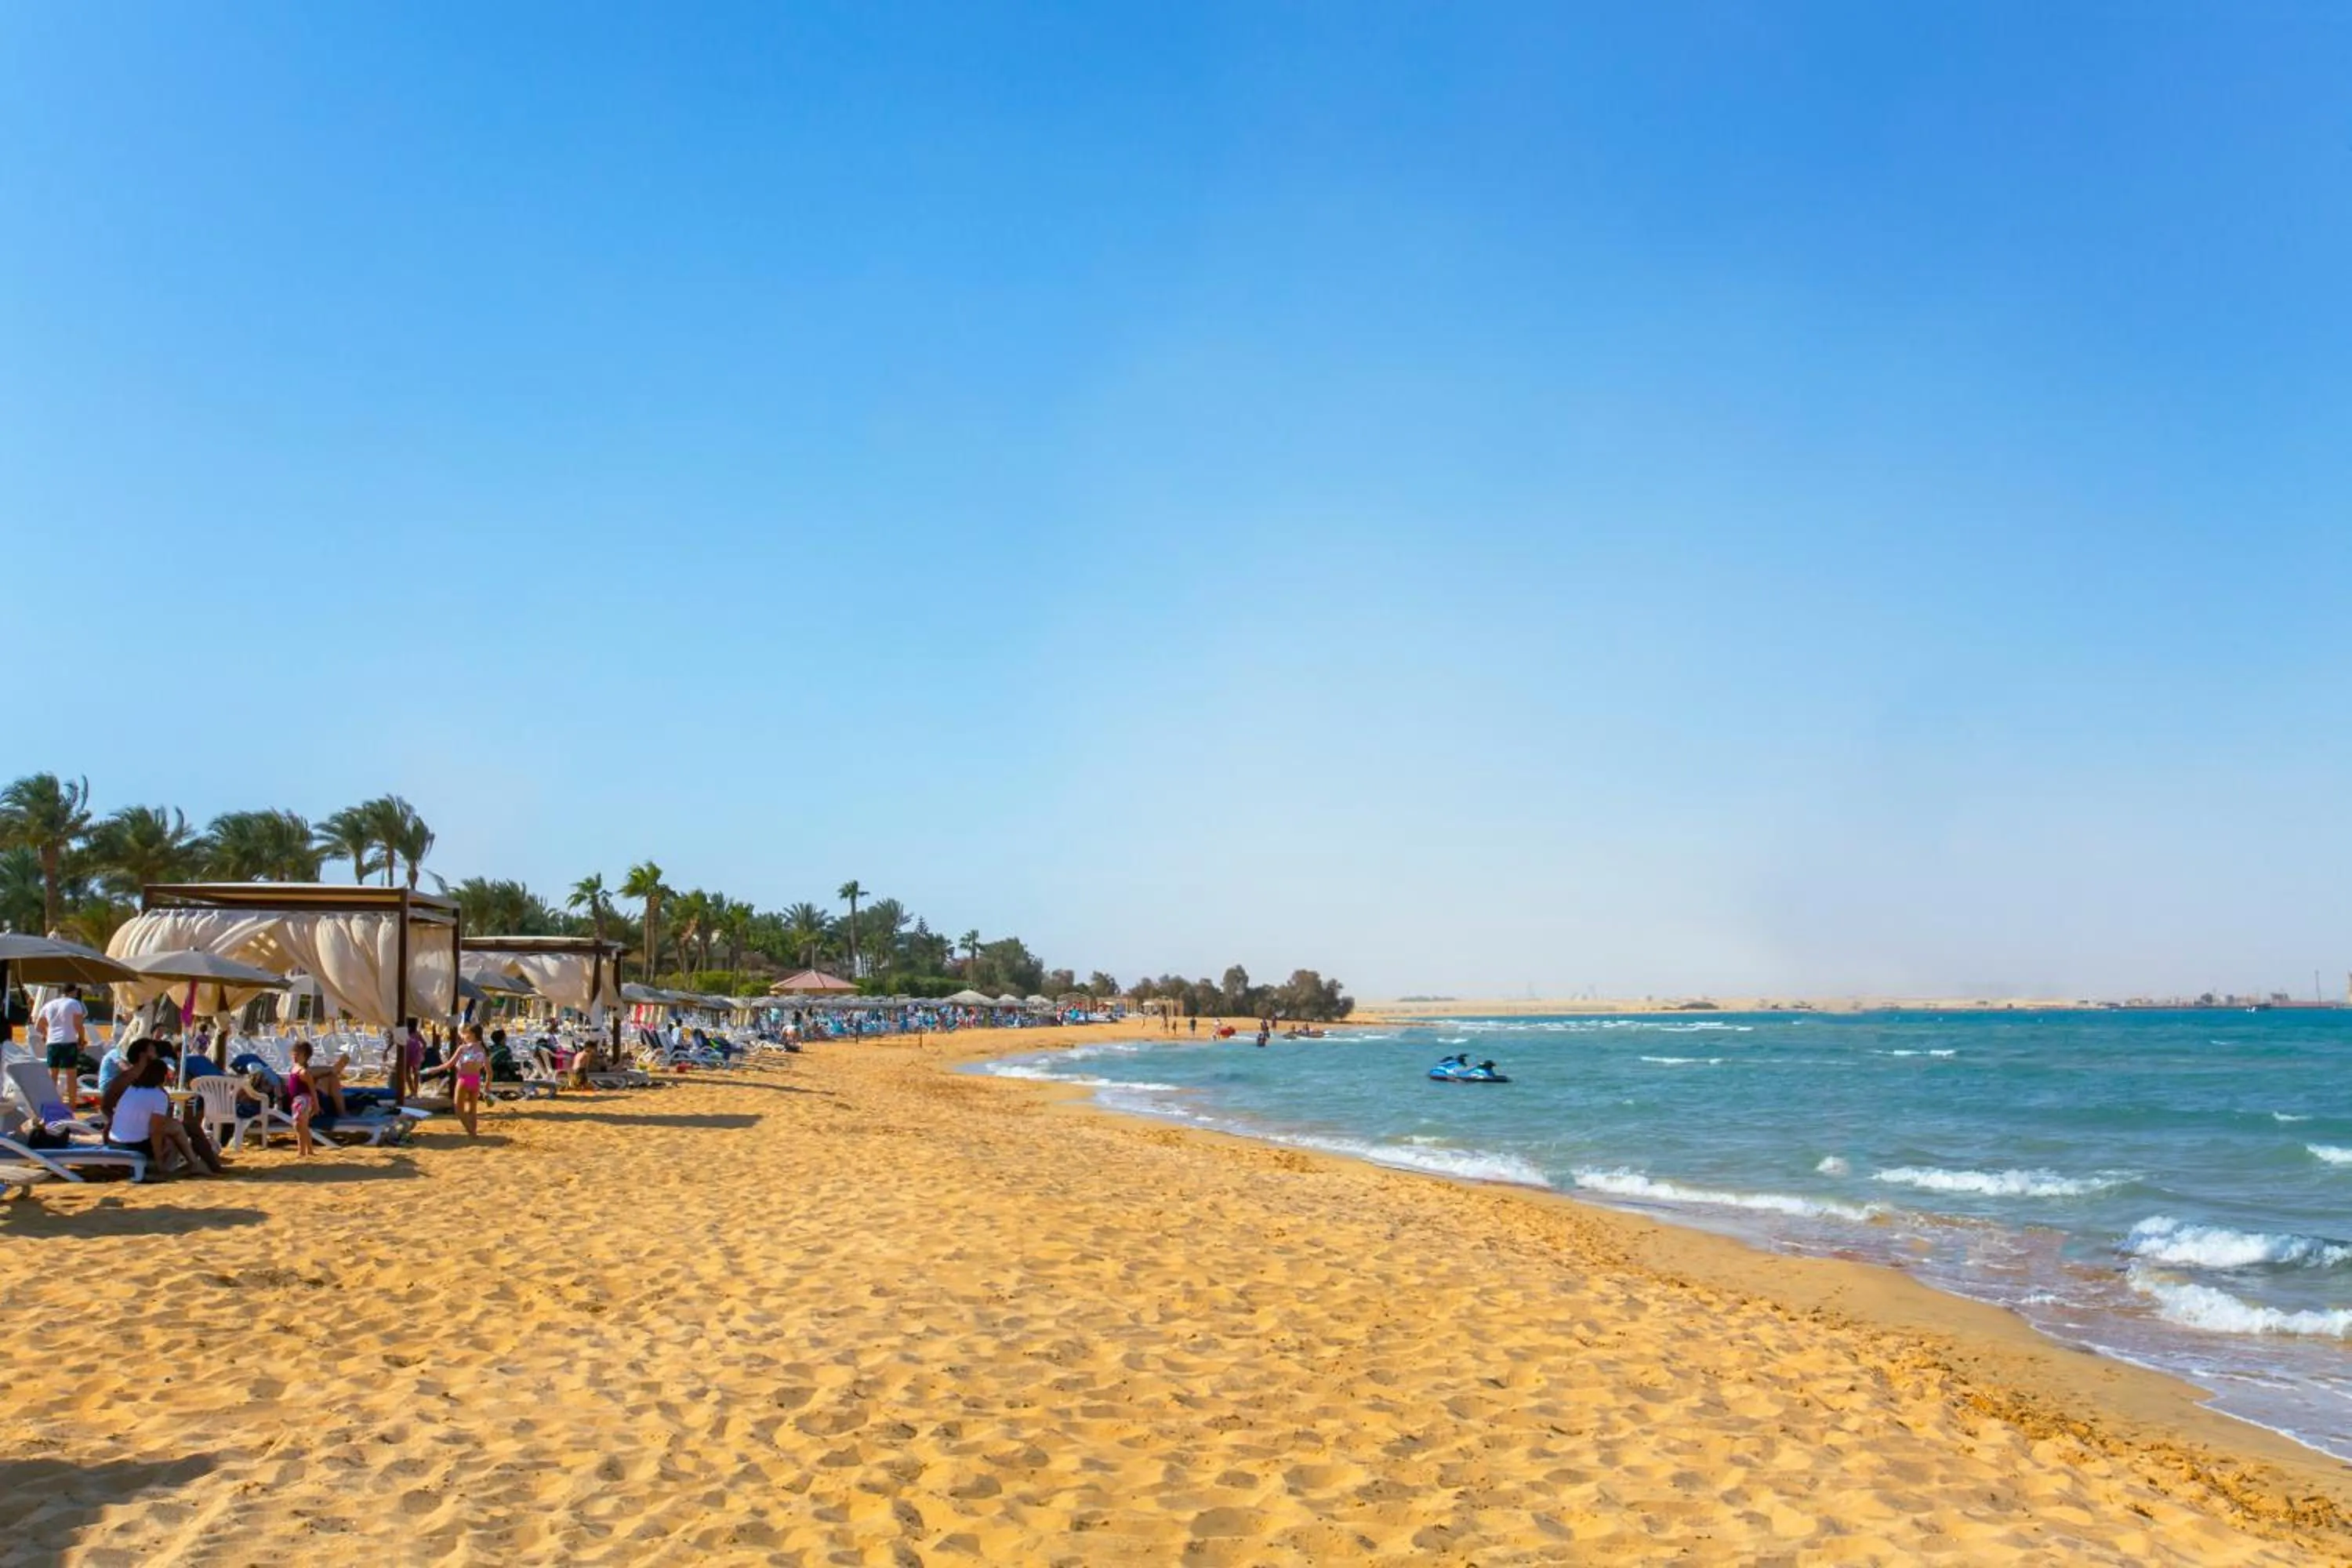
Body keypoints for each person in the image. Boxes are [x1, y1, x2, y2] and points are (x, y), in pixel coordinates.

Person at [105, 1053, 220, 1176]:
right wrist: (159, 1162)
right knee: (178, 1127)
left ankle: (196, 1163)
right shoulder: (158, 1096)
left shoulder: (132, 1089)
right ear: (163, 1076)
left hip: (116, 1142)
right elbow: (155, 1131)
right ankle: (196, 1164)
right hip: (134, 1145)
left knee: (182, 1126)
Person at [34, 984, 89, 1109]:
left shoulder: (49, 1005)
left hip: (52, 1043)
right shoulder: (74, 1003)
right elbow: (78, 1024)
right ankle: (71, 1105)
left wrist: (46, 1035)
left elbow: (38, 1026)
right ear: (74, 992)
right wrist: (81, 1039)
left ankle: (50, 1103)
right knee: (71, 1074)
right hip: (68, 1041)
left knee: (53, 1075)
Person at [450, 1024, 489, 1137]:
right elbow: (489, 1073)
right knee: (473, 1110)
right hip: (475, 1080)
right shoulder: (482, 1049)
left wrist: (433, 1070)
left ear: (472, 1035)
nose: (463, 1036)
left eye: (465, 1033)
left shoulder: (463, 1048)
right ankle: (473, 1131)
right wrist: (487, 1088)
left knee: (458, 1110)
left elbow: (449, 1064)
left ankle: (472, 1132)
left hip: (464, 1079)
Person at [287, 1040, 320, 1156]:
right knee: (303, 1126)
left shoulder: (304, 1072)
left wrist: (316, 1105)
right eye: (294, 1054)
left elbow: (312, 1090)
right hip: (296, 1101)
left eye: (298, 1054)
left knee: (299, 1125)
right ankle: (310, 1151)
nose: (295, 1057)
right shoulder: (294, 1069)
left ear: (305, 1057)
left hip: (303, 1101)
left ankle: (302, 1152)